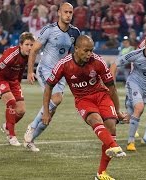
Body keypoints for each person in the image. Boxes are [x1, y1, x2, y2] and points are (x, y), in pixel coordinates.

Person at [42, 35, 127, 180]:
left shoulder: (98, 61)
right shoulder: (64, 64)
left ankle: (101, 174)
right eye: (86, 51)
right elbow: (48, 87)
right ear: (76, 49)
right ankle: (114, 145)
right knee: (95, 119)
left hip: (101, 95)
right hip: (83, 99)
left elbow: (112, 88)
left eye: (91, 50)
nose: (89, 54)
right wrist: (46, 112)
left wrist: (118, 111)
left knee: (111, 126)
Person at [24, 2, 80, 152]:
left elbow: (74, 55)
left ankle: (31, 140)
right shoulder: (49, 30)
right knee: (56, 99)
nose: (68, 15)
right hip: (45, 69)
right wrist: (30, 71)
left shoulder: (75, 33)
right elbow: (34, 51)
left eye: (70, 12)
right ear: (59, 13)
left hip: (61, 73)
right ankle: (32, 126)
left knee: (50, 113)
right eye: (66, 12)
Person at [0, 32, 35, 146]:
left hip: (14, 82)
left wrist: (18, 84)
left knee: (21, 111)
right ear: (20, 44)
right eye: (27, 44)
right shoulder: (12, 54)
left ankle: (6, 126)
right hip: (2, 79)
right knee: (11, 102)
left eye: (31, 45)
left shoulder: (29, 56)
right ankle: (11, 136)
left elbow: (20, 70)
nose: (29, 47)